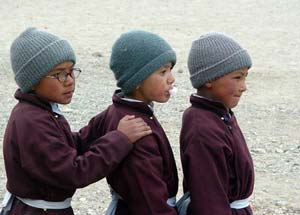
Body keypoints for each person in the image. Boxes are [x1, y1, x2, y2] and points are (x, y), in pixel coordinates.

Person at [0, 27, 152, 215]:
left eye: (72, 71)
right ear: (32, 80)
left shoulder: (41, 110)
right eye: (59, 74)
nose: (70, 80)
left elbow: (70, 145)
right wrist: (120, 139)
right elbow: (74, 172)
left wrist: (111, 114)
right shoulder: (32, 122)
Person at [177, 32, 255, 215]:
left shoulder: (220, 114)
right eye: (237, 77)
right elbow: (208, 198)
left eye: (245, 77)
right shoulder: (202, 127)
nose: (244, 86)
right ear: (209, 79)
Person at [103, 30, 179, 215]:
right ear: (136, 81)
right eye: (162, 72)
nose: (172, 79)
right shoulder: (137, 128)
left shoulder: (119, 110)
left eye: (170, 69)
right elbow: (149, 201)